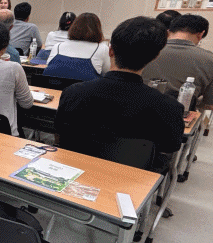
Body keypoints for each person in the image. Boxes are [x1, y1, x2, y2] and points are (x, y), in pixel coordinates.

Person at [56, 17, 184, 169]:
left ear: (110, 50)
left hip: (74, 171)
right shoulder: (168, 107)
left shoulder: (73, 93)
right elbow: (171, 146)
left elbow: (60, 132)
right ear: (155, 57)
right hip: (132, 179)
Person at [142, 14, 213, 109]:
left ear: (168, 31)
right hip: (180, 114)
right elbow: (209, 104)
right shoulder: (210, 59)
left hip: (135, 110)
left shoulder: (145, 50)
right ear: (200, 34)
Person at [44, 13, 110, 80]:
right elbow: (107, 74)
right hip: (84, 86)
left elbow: (49, 67)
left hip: (51, 85)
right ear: (98, 30)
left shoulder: (57, 46)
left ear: (73, 27)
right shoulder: (102, 49)